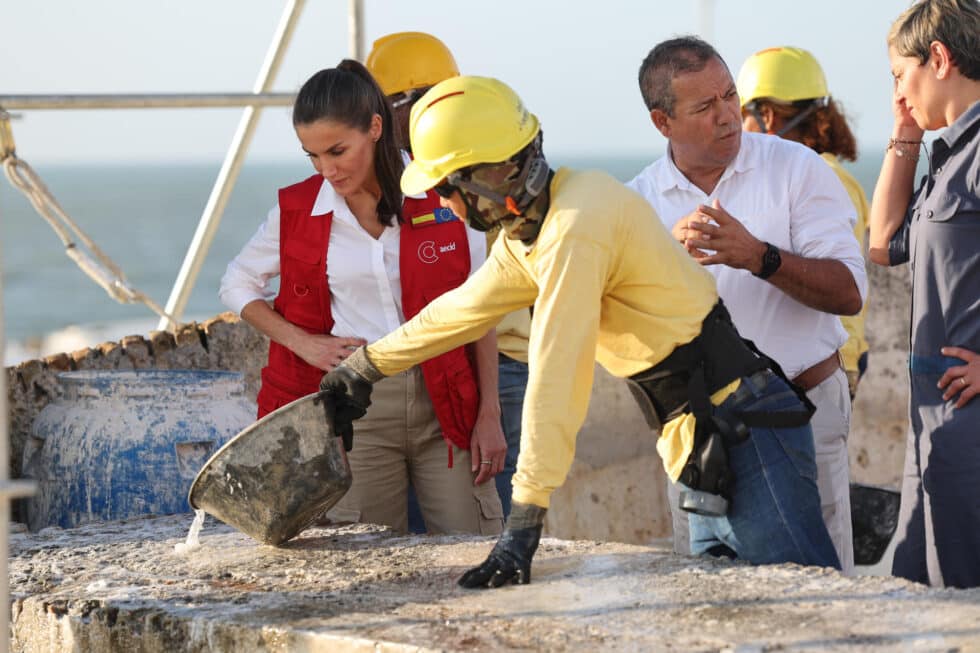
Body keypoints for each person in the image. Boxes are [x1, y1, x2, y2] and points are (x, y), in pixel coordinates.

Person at [319, 74, 840, 589]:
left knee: (803, 610)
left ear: (486, 175)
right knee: (728, 620)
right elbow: (459, 311)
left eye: (445, 187)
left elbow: (556, 374)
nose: (444, 203)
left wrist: (523, 521)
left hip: (745, 434)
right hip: (702, 439)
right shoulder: (536, 231)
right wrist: (365, 369)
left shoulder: (574, 227)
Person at [218, 60, 505, 536]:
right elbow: (237, 283)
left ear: (375, 128)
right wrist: (302, 343)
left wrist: (490, 415)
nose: (326, 169)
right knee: (371, 562)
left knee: (473, 546)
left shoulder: (443, 194)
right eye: (312, 156)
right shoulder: (299, 209)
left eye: (337, 151)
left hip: (448, 400)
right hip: (360, 410)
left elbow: (481, 310)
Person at [626, 36, 867, 574]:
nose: (728, 115)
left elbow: (849, 292)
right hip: (696, 435)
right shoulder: (635, 204)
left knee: (825, 594)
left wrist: (759, 257)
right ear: (662, 123)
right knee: (714, 605)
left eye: (731, 96)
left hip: (804, 414)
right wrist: (665, 262)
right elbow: (619, 332)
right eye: (705, 107)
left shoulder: (798, 168)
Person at [366, 32, 531, 520]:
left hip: (493, 364)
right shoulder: (425, 170)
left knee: (495, 524)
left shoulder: (454, 170)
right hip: (456, 360)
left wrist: (488, 411)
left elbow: (477, 299)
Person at [868, 0, 980, 589]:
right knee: (915, 595)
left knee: (963, 609)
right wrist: (905, 129)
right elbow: (883, 243)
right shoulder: (949, 152)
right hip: (929, 423)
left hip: (970, 428)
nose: (897, 92)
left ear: (937, 58)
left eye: (898, 75)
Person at [736, 46, 871, 401]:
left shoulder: (818, 177)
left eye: (741, 115)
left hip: (818, 367)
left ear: (767, 115)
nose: (736, 128)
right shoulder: (827, 174)